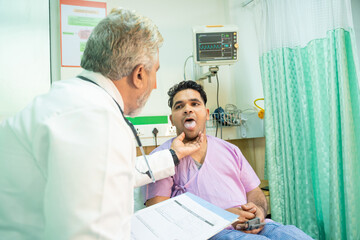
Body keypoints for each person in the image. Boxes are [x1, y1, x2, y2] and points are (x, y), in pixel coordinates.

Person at [0, 9, 203, 240]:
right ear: (138, 75)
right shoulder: (97, 119)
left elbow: (111, 173)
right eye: (154, 73)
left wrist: (173, 155)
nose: (155, 85)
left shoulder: (73, 99)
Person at [145, 80, 313, 240]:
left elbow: (254, 191)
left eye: (195, 104)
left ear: (207, 113)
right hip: (209, 233)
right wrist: (222, 216)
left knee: (294, 235)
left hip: (254, 226)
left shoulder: (230, 150)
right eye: (179, 106)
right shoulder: (163, 158)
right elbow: (159, 214)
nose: (188, 109)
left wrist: (259, 211)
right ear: (172, 119)